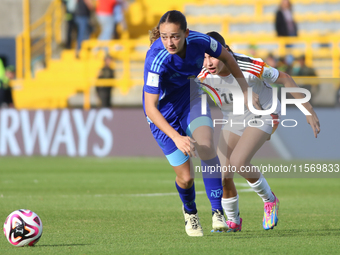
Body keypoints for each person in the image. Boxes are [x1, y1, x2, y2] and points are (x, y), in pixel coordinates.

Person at [143, 11, 261, 237]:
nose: (170, 42)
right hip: (162, 115)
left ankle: (217, 212)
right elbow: (151, 107)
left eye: (175, 36)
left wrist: (245, 90)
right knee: (186, 178)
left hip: (191, 98)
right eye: (165, 37)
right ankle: (190, 212)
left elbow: (227, 57)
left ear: (186, 33)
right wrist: (177, 137)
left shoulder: (203, 41)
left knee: (206, 147)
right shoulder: (155, 58)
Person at [198, 31, 320, 232]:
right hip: (234, 118)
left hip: (264, 112)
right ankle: (233, 222)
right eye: (203, 57)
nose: (208, 62)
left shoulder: (249, 66)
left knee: (238, 162)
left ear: (225, 51)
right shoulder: (201, 76)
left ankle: (270, 200)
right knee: (222, 176)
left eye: (212, 55)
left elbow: (286, 79)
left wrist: (308, 111)